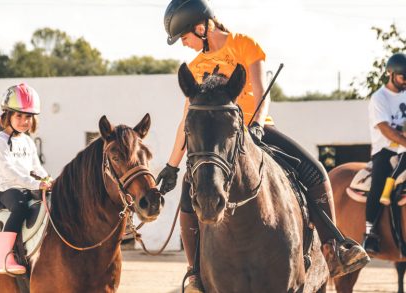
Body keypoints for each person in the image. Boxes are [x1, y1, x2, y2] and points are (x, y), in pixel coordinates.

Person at [158, 0, 369, 291]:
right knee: (188, 189)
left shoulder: (245, 45)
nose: (184, 45)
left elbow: (261, 93)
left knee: (316, 170)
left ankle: (334, 250)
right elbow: (187, 122)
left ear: (200, 27)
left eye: (184, 37)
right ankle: (195, 274)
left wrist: (256, 124)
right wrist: (171, 166)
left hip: (255, 131)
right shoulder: (194, 68)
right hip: (218, 142)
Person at [0, 83, 52, 275]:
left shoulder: (27, 141)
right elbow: (10, 172)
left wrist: (49, 179)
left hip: (26, 187)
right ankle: (4, 257)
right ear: (7, 115)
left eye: (28, 117)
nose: (24, 121)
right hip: (7, 190)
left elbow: (36, 166)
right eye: (19, 115)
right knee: (21, 207)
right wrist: (36, 183)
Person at [363, 53, 406, 253]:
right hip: (385, 151)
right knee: (378, 184)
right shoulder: (379, 98)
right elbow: (386, 129)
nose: (405, 80)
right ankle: (369, 233)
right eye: (402, 77)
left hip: (404, 150)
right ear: (391, 74)